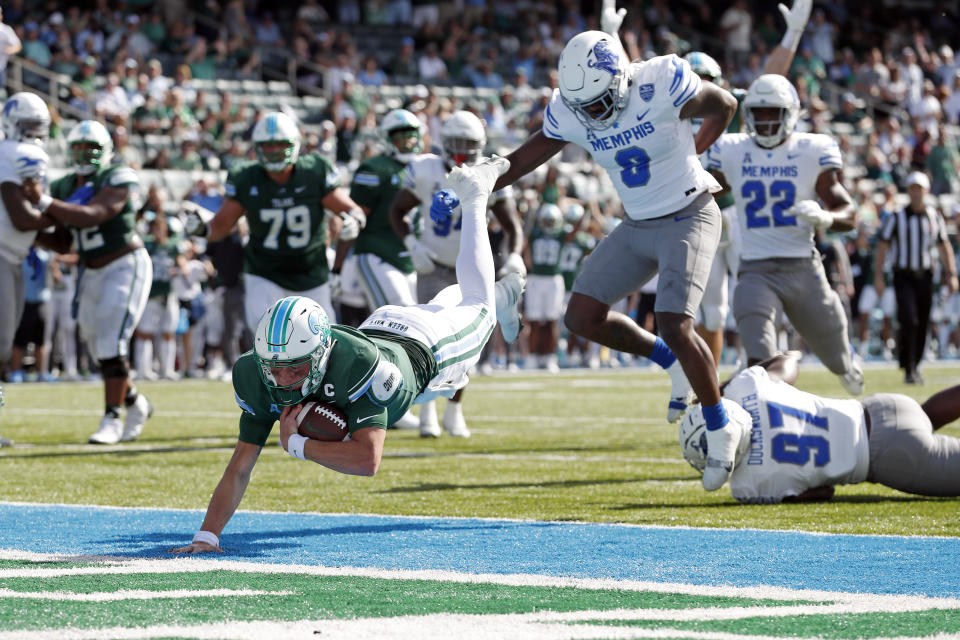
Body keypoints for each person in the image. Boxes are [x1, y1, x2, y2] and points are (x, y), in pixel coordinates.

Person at [170, 157, 525, 554]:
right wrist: (206, 537)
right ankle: (505, 293)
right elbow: (239, 466)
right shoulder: (258, 373)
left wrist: (297, 446)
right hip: (381, 325)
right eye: (274, 368)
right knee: (463, 301)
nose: (282, 380)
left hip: (427, 350)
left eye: (294, 369)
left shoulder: (363, 368)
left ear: (321, 356)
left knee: (478, 304)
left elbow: (367, 460)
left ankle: (476, 197)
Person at [489, 26, 745, 491]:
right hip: (638, 222)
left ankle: (720, 423)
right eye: (582, 105)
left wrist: (698, 147)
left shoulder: (660, 79)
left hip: (689, 212)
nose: (592, 113)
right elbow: (528, 158)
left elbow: (725, 104)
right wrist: (484, 178)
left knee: (674, 319)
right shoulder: (571, 105)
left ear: (623, 79)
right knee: (582, 316)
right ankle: (667, 360)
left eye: (600, 101)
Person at [706, 74, 864, 396]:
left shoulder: (811, 149)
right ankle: (766, 411)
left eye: (772, 112)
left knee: (833, 349)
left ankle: (846, 363)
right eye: (758, 113)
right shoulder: (731, 149)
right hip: (754, 268)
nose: (764, 121)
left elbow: (849, 213)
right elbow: (702, 194)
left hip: (803, 267)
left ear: (790, 113)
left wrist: (826, 217)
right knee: (759, 353)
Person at [389, 110, 524, 438]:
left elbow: (512, 225)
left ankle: (454, 410)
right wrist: (411, 242)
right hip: (433, 264)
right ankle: (427, 413)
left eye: (469, 144)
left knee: (469, 343)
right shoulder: (424, 168)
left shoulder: (488, 172)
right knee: (428, 338)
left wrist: (515, 255)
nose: (462, 150)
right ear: (444, 143)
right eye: (457, 143)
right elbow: (397, 210)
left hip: (473, 269)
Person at [679, 350, 960, 502]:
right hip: (879, 407)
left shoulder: (748, 486)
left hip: (890, 459)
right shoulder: (746, 386)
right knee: (926, 415)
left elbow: (823, 493)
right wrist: (724, 386)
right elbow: (790, 359)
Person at [182, 111, 367, 331]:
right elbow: (221, 226)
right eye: (267, 145)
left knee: (321, 339)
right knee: (266, 335)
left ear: (295, 144)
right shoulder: (246, 177)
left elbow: (352, 211)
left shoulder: (313, 171)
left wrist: (354, 220)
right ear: (256, 147)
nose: (273, 151)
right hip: (265, 271)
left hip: (310, 272)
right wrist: (203, 229)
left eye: (280, 144)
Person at [39, 120, 154, 444]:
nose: (84, 153)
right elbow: (63, 241)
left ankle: (111, 418)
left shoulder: (116, 176)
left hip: (123, 263)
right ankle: (135, 402)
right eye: (78, 147)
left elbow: (96, 214)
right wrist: (29, 235)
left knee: (110, 343)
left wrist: (44, 203)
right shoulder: (62, 186)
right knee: (97, 347)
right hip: (89, 270)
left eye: (91, 147)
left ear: (105, 151)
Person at [874, 171, 959, 384]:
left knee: (923, 322)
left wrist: (951, 274)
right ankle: (908, 367)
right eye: (912, 188)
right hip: (903, 275)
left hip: (926, 276)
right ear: (908, 191)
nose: (916, 193)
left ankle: (916, 364)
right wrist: (878, 276)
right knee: (909, 319)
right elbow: (882, 246)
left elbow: (944, 246)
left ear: (926, 191)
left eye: (919, 189)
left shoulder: (934, 216)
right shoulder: (896, 217)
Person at [0, 92, 54, 402]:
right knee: (1, 344)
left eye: (38, 127)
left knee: (5, 346)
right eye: (28, 127)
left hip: (15, 256)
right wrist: (58, 218)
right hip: (3, 253)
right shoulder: (9, 153)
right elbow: (22, 218)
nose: (34, 135)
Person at [524, 203, 566, 373]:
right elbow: (525, 232)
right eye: (546, 221)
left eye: (551, 221)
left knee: (552, 320)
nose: (548, 224)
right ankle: (532, 356)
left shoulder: (562, 234)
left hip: (553, 280)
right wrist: (532, 211)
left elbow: (576, 230)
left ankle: (550, 357)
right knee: (534, 320)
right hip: (535, 278)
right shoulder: (533, 234)